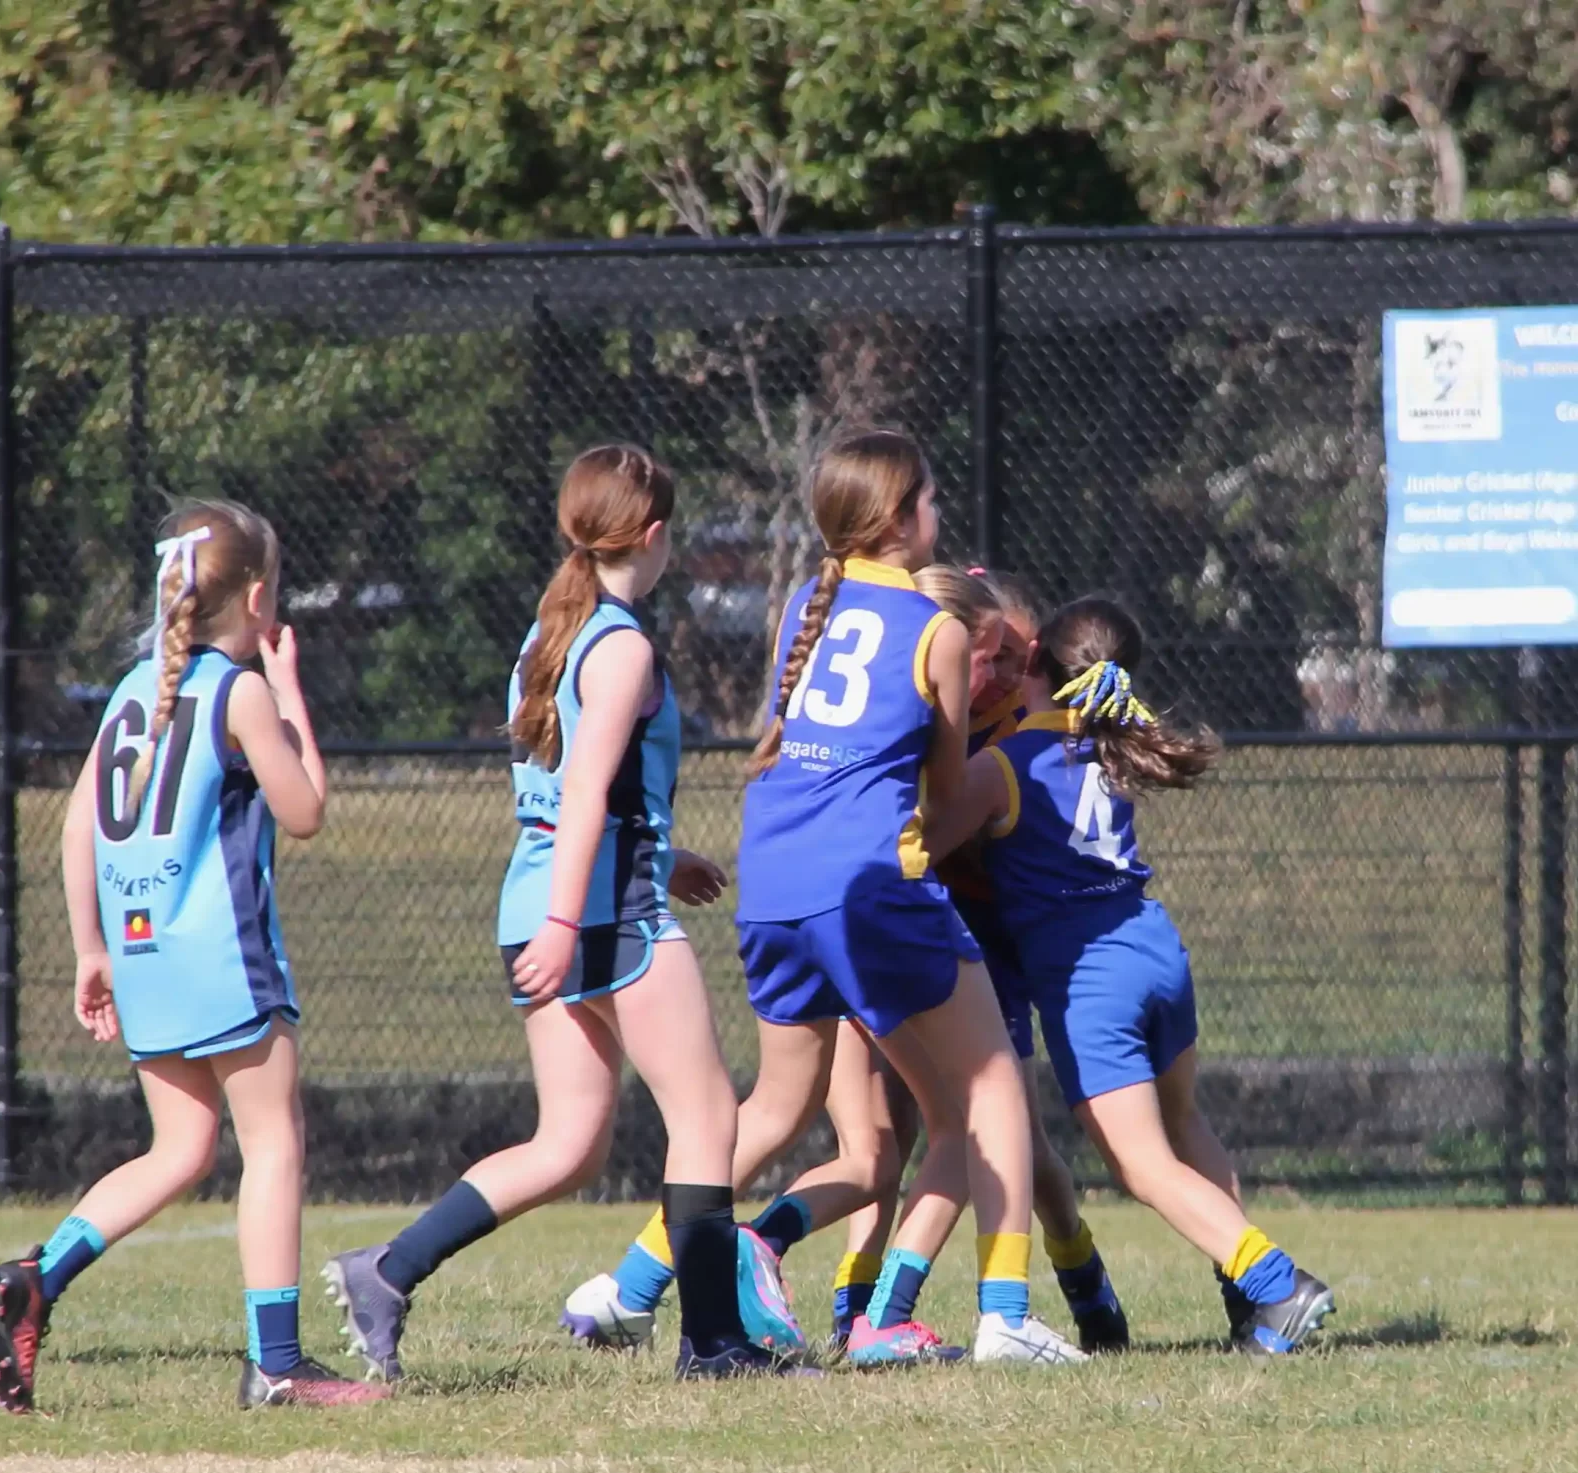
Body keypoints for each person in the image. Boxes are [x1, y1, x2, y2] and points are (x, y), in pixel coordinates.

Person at [318, 446, 805, 1383]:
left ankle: (387, 1270)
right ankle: (715, 1343)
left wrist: (659, 855)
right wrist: (570, 918)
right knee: (708, 1114)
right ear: (654, 535)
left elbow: (575, 791)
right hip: (598, 913)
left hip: (547, 898)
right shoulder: (621, 645)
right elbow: (583, 791)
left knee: (570, 1144)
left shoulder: (553, 632)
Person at [564, 565, 1129, 1356]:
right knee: (975, 1122)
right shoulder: (930, 696)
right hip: (893, 928)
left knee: (870, 1147)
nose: (1003, 673)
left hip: (844, 912)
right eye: (991, 655)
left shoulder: (999, 718)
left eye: (1018, 658)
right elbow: (933, 815)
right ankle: (896, 1305)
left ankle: (653, 1282)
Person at [0, 500, 386, 1411]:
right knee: (273, 1141)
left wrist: (91, 947)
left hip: (141, 952)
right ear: (257, 595)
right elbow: (305, 810)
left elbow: (78, 824)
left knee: (181, 1147)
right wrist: (288, 693)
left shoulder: (131, 689)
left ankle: (36, 1277)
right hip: (220, 956)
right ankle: (277, 1363)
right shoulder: (238, 691)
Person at [699, 427, 1081, 1366]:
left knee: (779, 1109)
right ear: (899, 518)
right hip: (871, 889)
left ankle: (655, 1280)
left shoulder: (804, 605)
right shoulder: (938, 629)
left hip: (771, 882)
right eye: (930, 498)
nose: (938, 511)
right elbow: (944, 792)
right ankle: (1004, 1314)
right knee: (993, 1081)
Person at [929, 594, 1335, 1354]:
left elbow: (919, 847)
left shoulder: (999, 767)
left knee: (1142, 1166)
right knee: (1186, 1126)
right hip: (1155, 948)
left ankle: (1280, 1286)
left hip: (1094, 981)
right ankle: (1250, 1305)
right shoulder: (1111, 749)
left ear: (1036, 663)